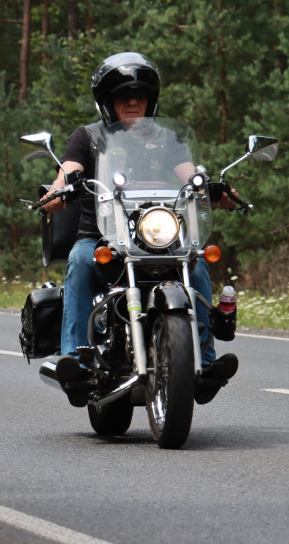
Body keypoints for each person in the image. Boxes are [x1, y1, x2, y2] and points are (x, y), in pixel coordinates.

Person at [41, 52, 239, 405]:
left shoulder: (167, 139)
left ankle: (204, 362)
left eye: (140, 95)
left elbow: (189, 175)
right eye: (123, 96)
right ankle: (77, 358)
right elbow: (68, 170)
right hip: (102, 237)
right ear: (107, 102)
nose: (133, 101)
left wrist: (214, 191)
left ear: (151, 99)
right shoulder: (87, 137)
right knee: (81, 260)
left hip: (157, 237)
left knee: (196, 264)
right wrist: (60, 189)